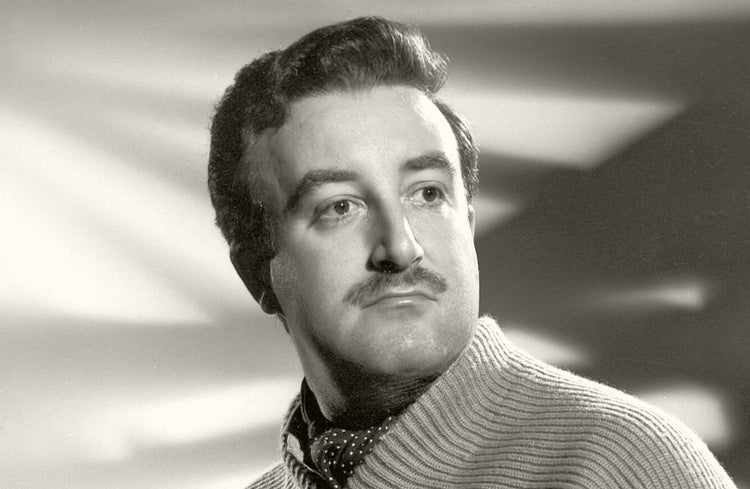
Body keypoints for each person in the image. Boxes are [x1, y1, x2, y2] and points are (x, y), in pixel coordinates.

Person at [207, 16, 736, 489]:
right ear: (256, 273)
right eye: (340, 207)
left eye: (427, 194)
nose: (401, 248)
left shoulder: (623, 465)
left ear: (468, 223)